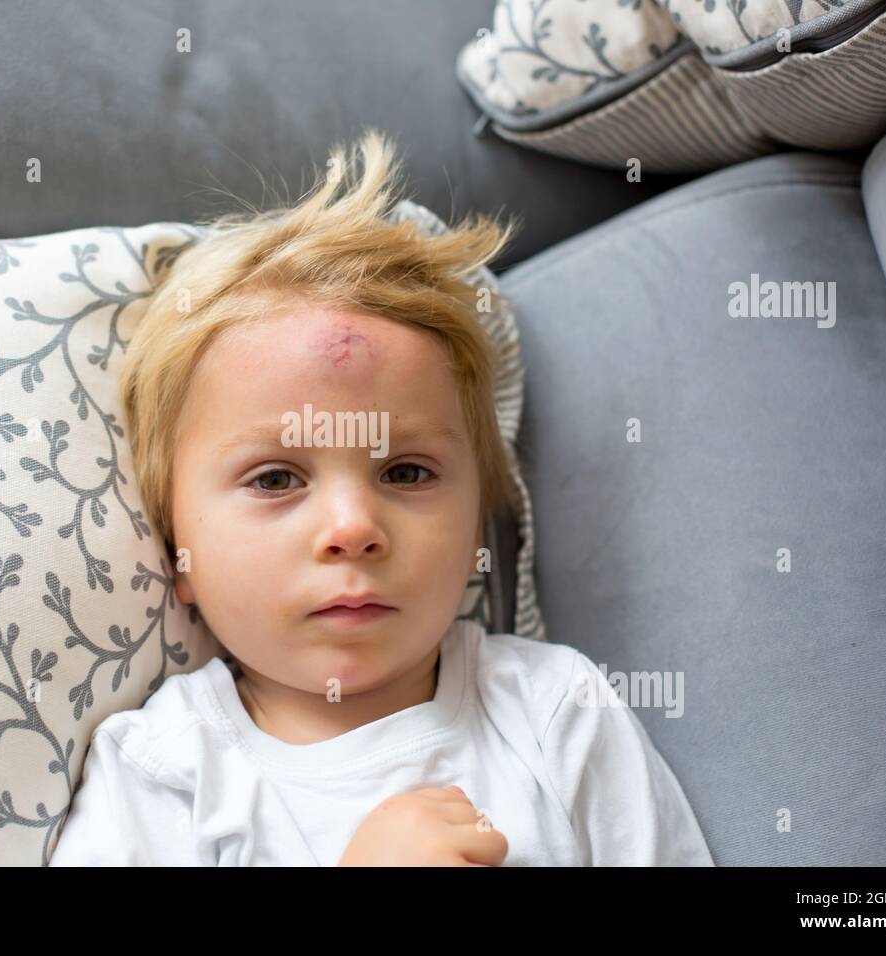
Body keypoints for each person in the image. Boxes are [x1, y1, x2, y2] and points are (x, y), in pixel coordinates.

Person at [48, 128, 714, 866]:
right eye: (275, 479)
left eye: (405, 473)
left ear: (476, 530)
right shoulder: (163, 776)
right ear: (179, 552)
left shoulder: (555, 710)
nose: (353, 527)